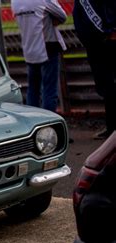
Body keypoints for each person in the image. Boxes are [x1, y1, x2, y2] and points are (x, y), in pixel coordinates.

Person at [11, 0, 67, 113]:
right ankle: (48, 123)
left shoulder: (14, 2)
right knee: (50, 90)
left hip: (29, 48)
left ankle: (34, 120)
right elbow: (62, 16)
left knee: (33, 89)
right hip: (47, 46)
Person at [74, 1, 116, 140]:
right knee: (107, 89)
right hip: (97, 46)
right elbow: (78, 19)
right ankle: (111, 128)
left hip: (101, 44)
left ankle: (111, 129)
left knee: (108, 88)